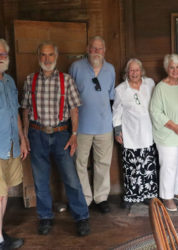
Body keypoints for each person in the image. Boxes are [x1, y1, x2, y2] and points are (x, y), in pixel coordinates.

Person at [21, 41, 90, 236]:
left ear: (56, 57)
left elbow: (75, 110)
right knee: (40, 180)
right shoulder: (30, 80)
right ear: (38, 57)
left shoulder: (66, 80)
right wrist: (25, 136)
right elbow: (25, 110)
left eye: (50, 55)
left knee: (71, 178)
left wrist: (74, 135)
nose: (47, 59)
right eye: (43, 55)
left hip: (62, 135)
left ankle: (81, 217)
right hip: (36, 134)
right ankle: (45, 217)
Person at [69, 36, 115, 213]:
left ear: (105, 51)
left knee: (103, 163)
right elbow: (70, 96)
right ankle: (85, 198)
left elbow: (110, 97)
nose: (96, 52)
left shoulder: (110, 70)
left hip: (104, 125)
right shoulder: (76, 67)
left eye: (100, 49)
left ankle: (101, 198)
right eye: (93, 48)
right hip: (81, 126)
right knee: (79, 163)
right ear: (88, 48)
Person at [112, 58, 159, 208]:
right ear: (127, 72)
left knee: (148, 167)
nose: (134, 73)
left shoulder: (150, 84)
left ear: (141, 71)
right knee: (131, 168)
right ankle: (131, 196)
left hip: (148, 133)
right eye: (131, 70)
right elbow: (116, 112)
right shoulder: (120, 90)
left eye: (136, 70)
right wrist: (118, 131)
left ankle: (148, 195)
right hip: (130, 134)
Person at [150, 54, 178, 212]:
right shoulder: (160, 87)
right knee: (169, 166)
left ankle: (175, 191)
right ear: (167, 68)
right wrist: (174, 126)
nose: (175, 70)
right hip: (167, 134)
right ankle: (167, 196)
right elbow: (155, 111)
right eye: (172, 67)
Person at [0, 39, 28, 250]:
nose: (1, 57)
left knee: (4, 192)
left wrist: (23, 138)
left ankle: (0, 235)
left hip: (10, 145)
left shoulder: (8, 81)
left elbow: (16, 113)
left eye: (3, 54)